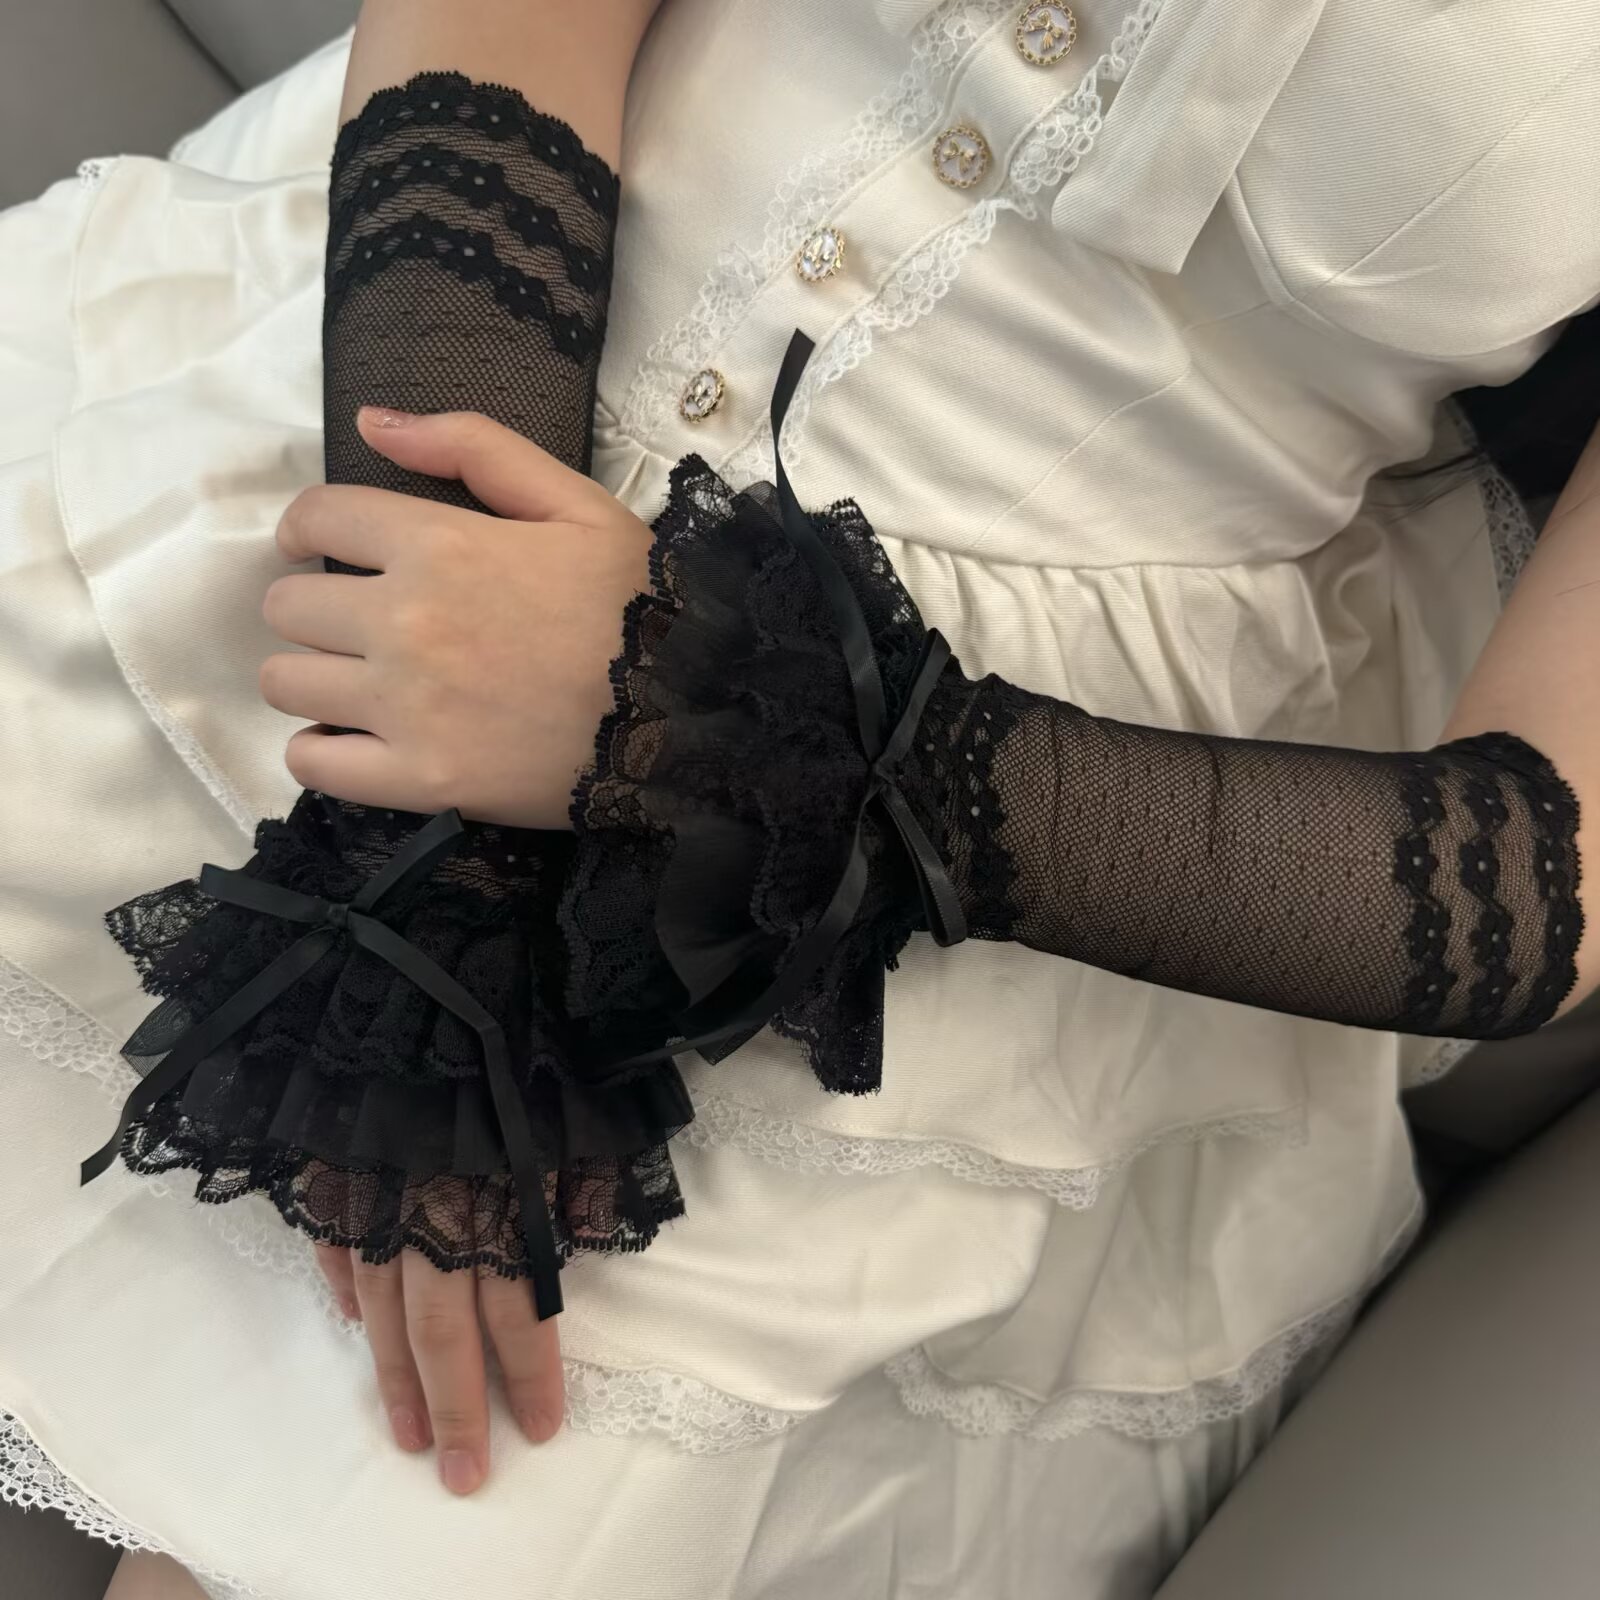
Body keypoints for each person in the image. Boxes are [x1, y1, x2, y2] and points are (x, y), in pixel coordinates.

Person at [1, 3, 1596, 1598]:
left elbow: (1543, 875)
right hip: (425, 331)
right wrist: (437, 865)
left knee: (405, 1510)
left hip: (972, 835)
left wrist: (721, 727)